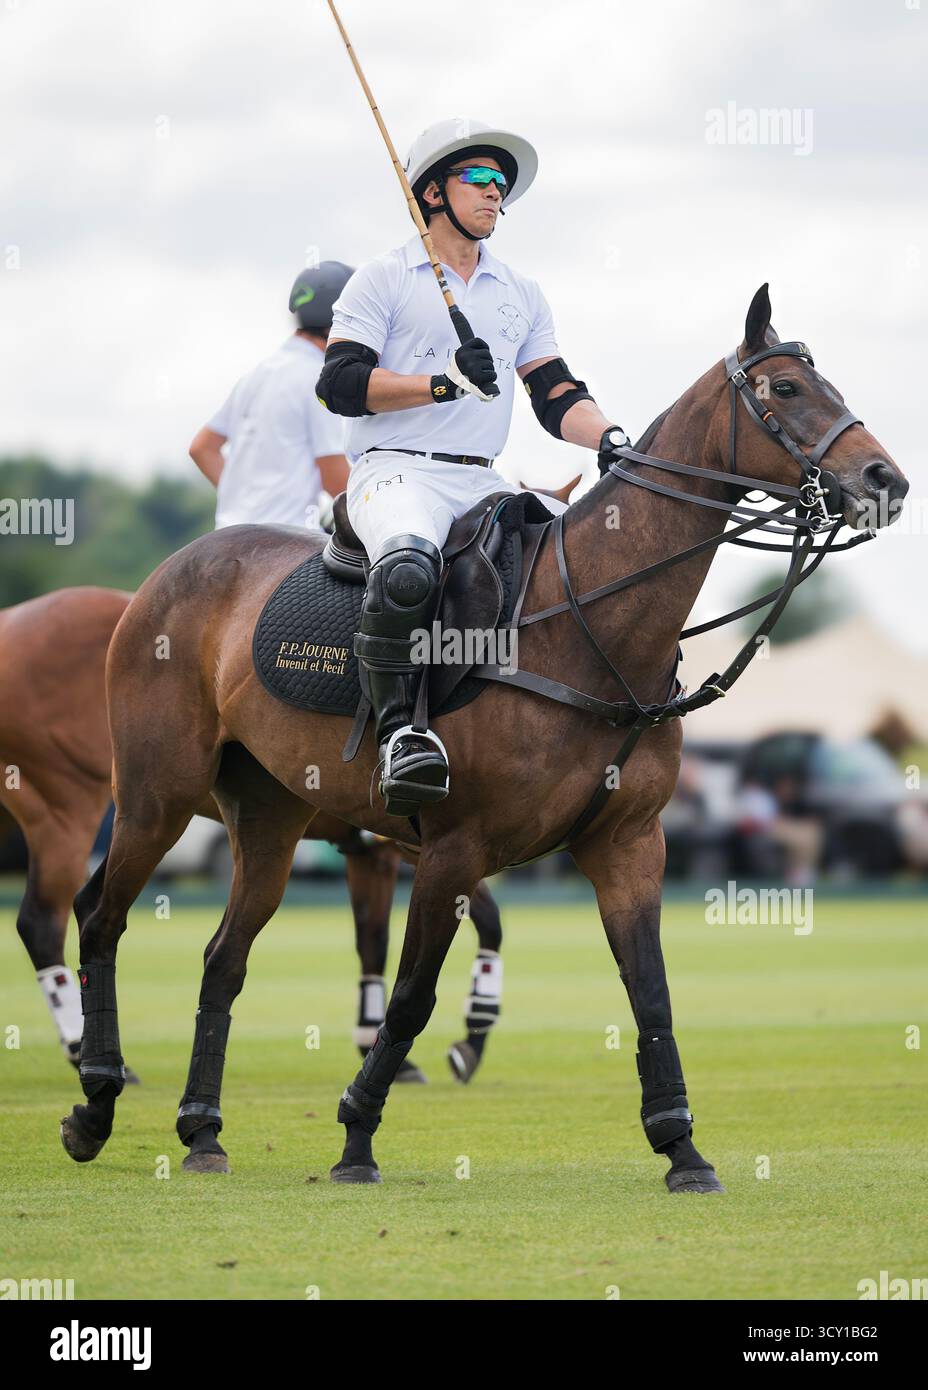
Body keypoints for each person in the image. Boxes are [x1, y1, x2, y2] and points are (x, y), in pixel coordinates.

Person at [315, 117, 629, 817]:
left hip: (480, 474)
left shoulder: (521, 290)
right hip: (395, 470)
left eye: (502, 187)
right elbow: (339, 381)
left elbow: (555, 394)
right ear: (431, 192)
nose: (496, 196)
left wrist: (609, 438)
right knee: (407, 568)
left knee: (575, 554)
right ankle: (400, 735)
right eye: (481, 181)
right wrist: (440, 384)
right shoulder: (383, 278)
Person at [190, 262, 354, 529]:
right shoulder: (320, 378)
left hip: (228, 532)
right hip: (287, 537)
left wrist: (244, 504)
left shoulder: (257, 373)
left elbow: (202, 448)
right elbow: (335, 480)